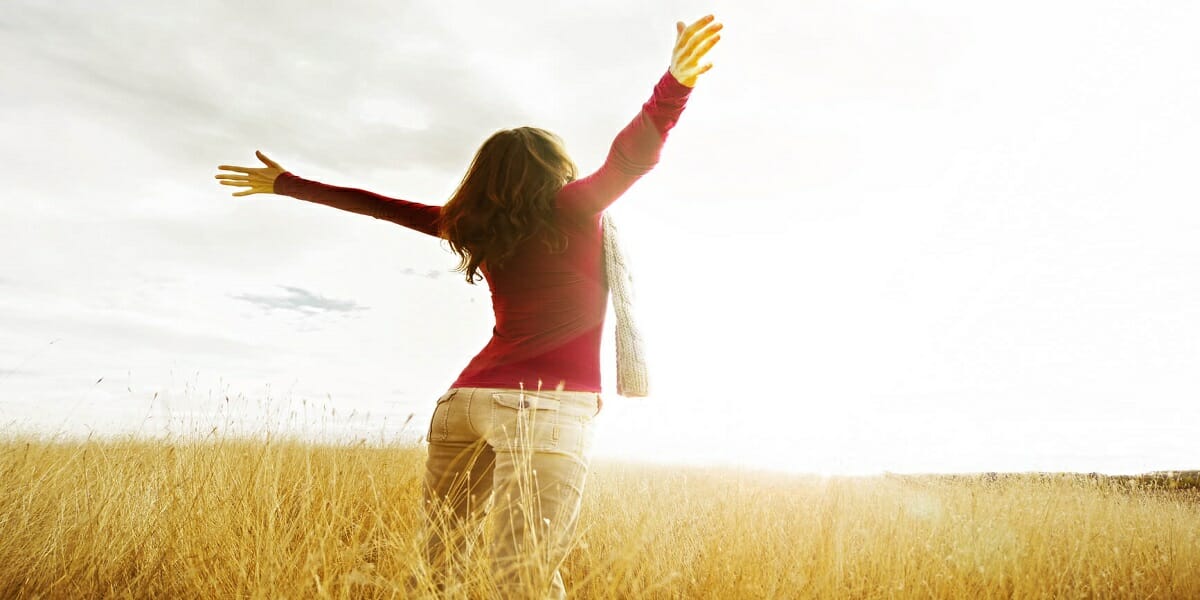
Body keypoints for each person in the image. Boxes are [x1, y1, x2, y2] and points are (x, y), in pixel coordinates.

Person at [215, 15, 721, 599]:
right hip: (546, 409)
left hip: (463, 402)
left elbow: (380, 206)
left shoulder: (468, 225)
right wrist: (675, 85)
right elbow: (630, 158)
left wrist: (289, 184)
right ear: (558, 171)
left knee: (438, 569)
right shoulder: (575, 209)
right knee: (521, 577)